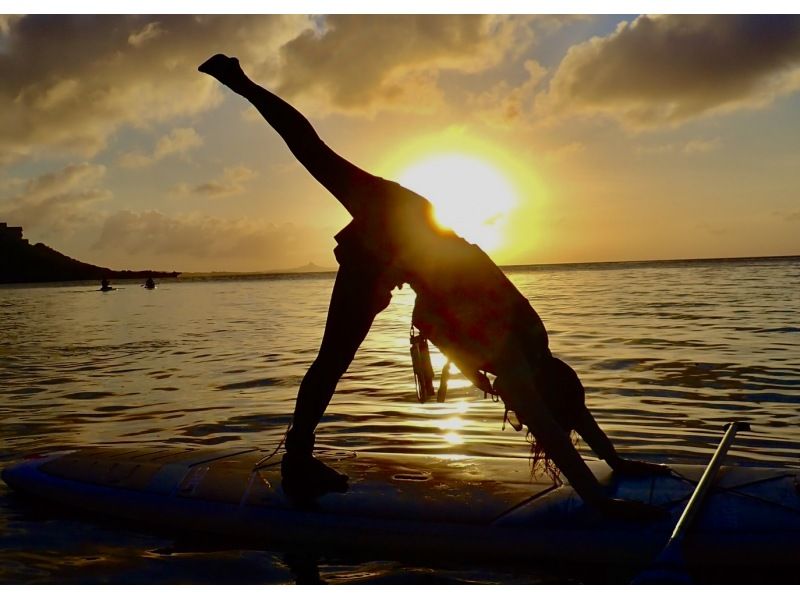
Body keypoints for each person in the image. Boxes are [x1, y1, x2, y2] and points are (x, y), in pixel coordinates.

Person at [199, 54, 668, 516]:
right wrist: (598, 500)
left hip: (415, 224)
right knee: (316, 164)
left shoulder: (539, 349)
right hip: (398, 233)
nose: (527, 420)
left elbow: (564, 409)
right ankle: (297, 462)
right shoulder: (519, 366)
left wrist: (614, 460)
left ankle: (298, 459)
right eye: (532, 413)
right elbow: (552, 425)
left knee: (316, 156)